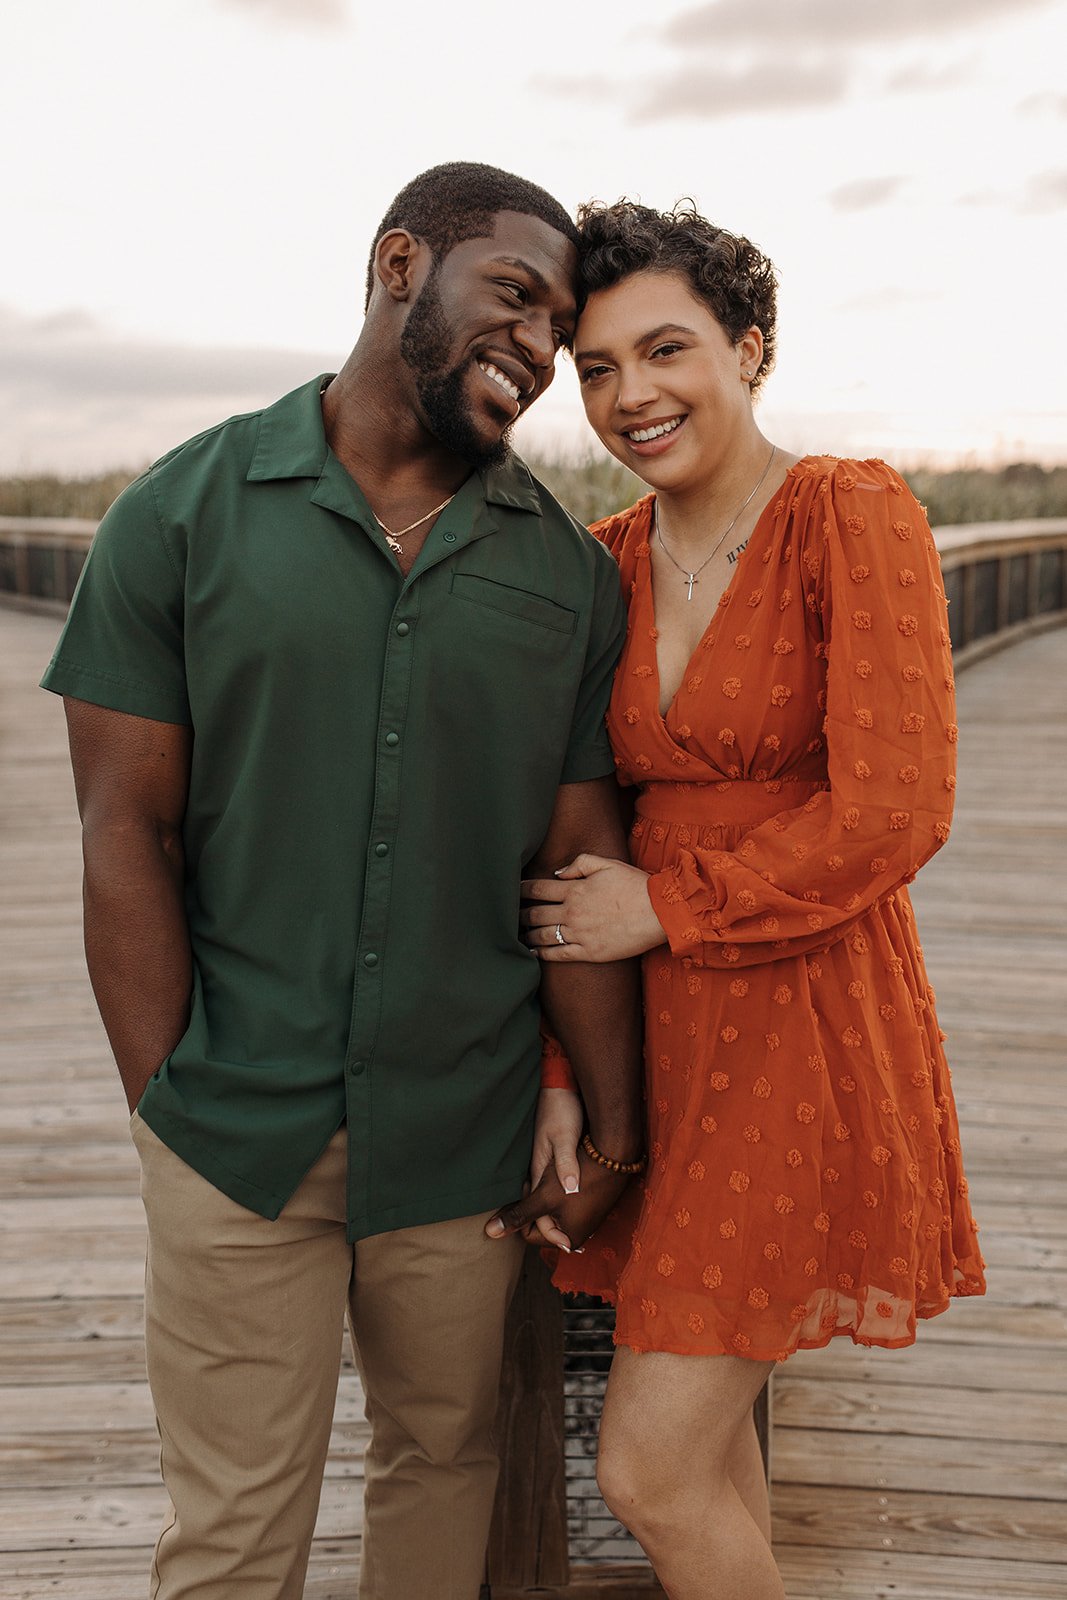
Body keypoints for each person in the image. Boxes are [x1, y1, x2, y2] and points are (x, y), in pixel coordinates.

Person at [40, 163, 644, 1600]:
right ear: (397, 268)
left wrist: (612, 1124)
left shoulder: (567, 579)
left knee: (444, 1474)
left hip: (463, 1131)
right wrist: (167, 1106)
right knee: (237, 1529)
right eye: (514, 295)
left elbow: (574, 873)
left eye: (561, 327)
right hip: (237, 1127)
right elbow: (125, 832)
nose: (540, 349)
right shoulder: (178, 519)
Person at [501, 201, 987, 1599]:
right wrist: (563, 1071)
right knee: (706, 1464)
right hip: (659, 1049)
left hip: (804, 1028)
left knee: (646, 1468)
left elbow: (898, 811)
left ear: (749, 348)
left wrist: (669, 908)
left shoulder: (850, 512)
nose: (631, 395)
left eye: (665, 350)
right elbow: (581, 841)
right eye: (595, 368)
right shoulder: (603, 565)